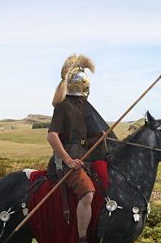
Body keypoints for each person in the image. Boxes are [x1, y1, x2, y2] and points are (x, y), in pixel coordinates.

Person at [47, 54, 108, 243]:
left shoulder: (82, 108)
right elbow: (52, 136)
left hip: (83, 159)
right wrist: (68, 160)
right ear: (83, 87)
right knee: (88, 193)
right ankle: (82, 239)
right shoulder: (64, 106)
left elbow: (81, 142)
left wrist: (97, 138)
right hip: (67, 163)